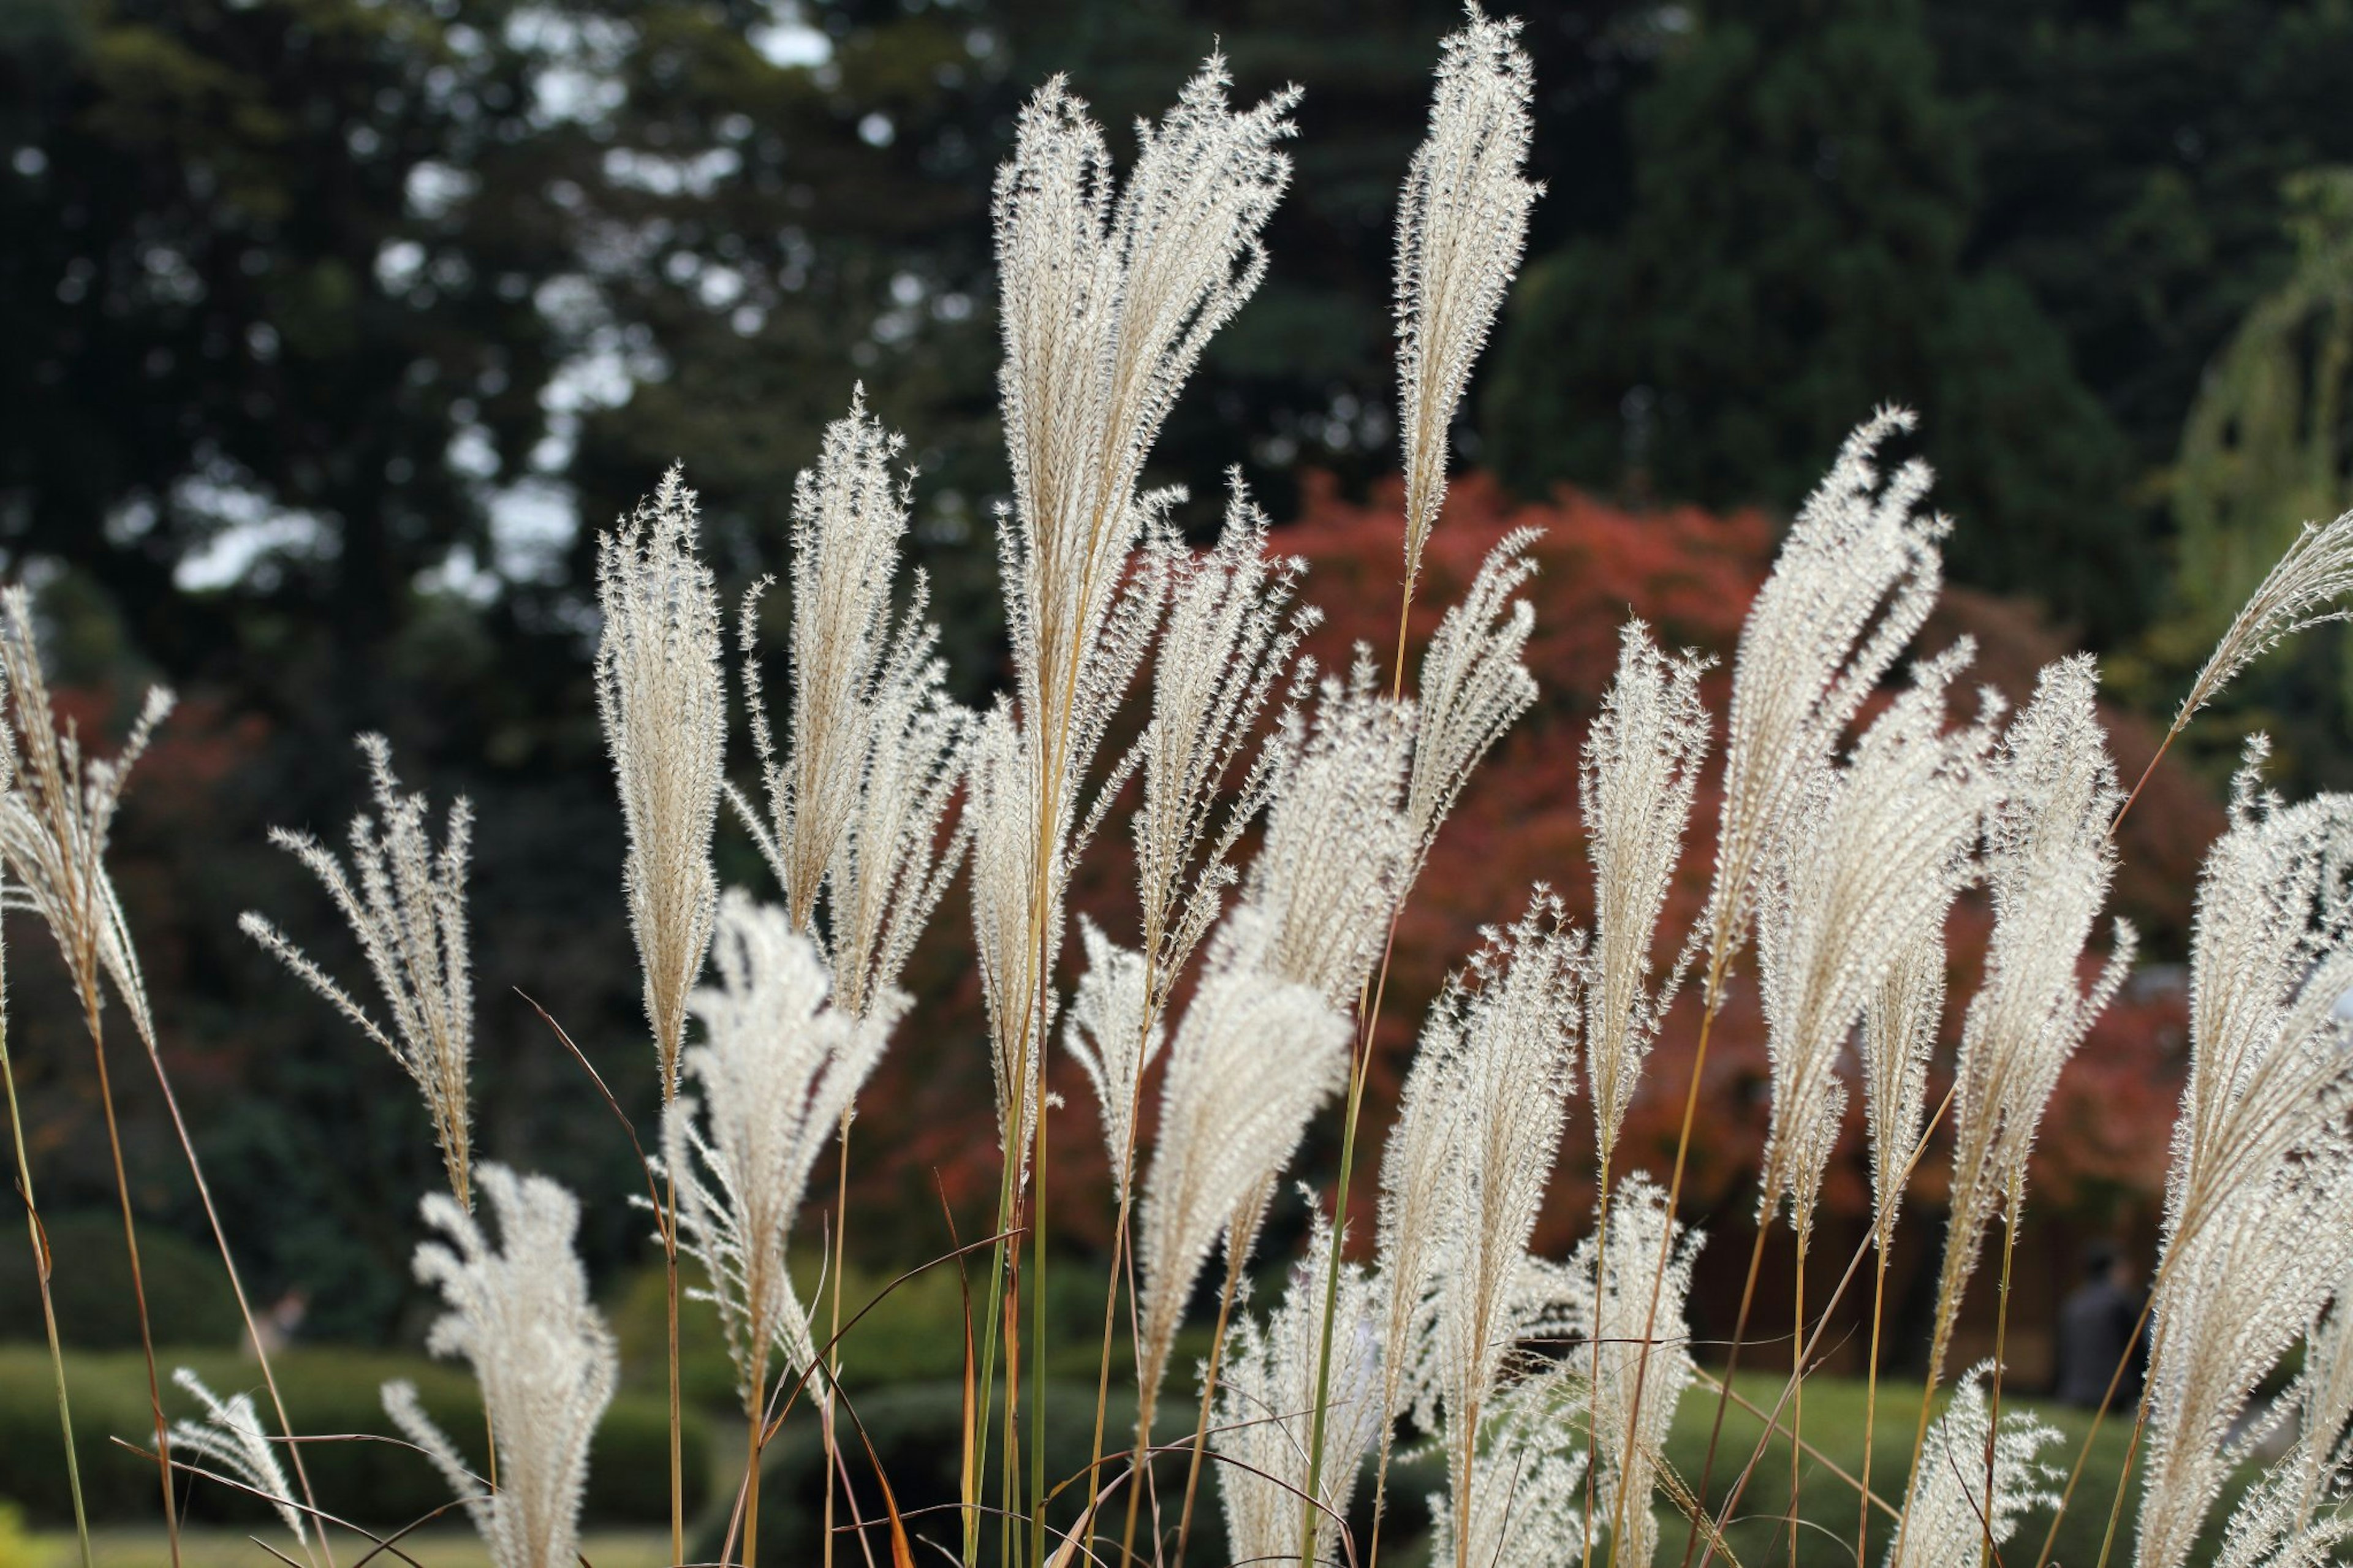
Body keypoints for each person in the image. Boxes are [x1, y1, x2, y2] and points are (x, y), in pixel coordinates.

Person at [2054, 1241, 2145, 1407]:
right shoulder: (2120, 1303)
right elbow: (2137, 1354)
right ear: (2114, 1269)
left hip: (2074, 1393)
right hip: (2114, 1396)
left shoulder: (2073, 1303)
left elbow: (2061, 1355)